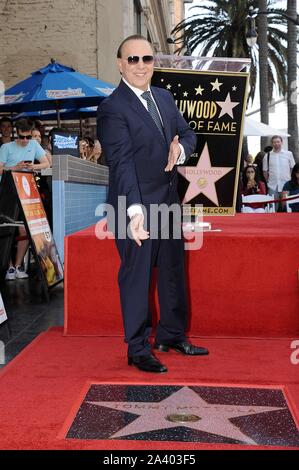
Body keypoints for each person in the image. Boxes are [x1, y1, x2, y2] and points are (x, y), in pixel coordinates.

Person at [97, 35, 209, 374]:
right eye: (133, 60)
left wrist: (181, 150)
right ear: (120, 64)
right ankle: (137, 347)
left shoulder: (164, 97)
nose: (141, 65)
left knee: (173, 271)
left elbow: (188, 134)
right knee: (137, 276)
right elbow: (122, 163)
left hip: (168, 201)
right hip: (133, 205)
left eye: (146, 59)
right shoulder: (112, 108)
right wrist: (134, 212)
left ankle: (171, 335)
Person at [0, 118, 50, 280]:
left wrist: (32, 167)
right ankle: (8, 268)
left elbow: (46, 164)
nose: (25, 141)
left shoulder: (34, 145)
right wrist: (14, 167)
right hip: (7, 191)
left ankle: (18, 264)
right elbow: (0, 169)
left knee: (26, 229)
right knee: (6, 228)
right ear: (16, 133)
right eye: (22, 137)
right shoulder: (6, 147)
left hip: (26, 192)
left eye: (28, 137)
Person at [263, 135, 295, 204]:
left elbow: (292, 168)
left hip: (286, 185)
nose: (276, 144)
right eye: (274, 142)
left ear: (281, 142)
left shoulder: (289, 154)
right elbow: (265, 171)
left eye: (278, 142)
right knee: (273, 208)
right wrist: (268, 181)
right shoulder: (267, 155)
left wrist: (290, 178)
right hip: (272, 186)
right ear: (272, 143)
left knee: (287, 207)